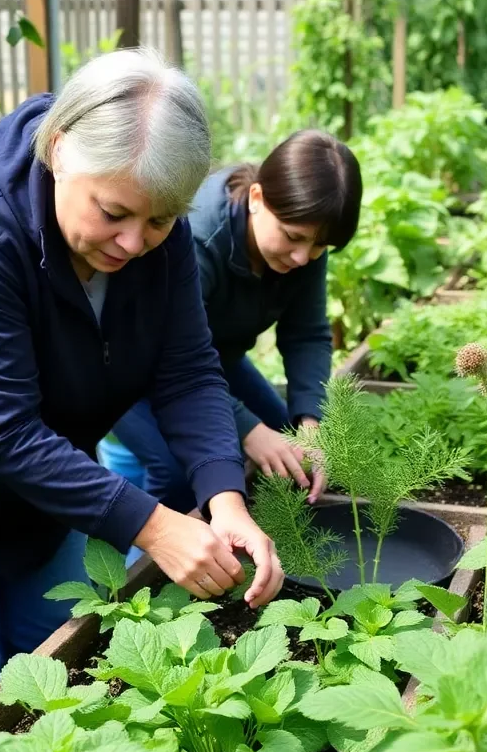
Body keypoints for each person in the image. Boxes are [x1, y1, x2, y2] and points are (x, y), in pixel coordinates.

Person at [0, 48, 284, 705]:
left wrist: (225, 499)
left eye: (158, 220)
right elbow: (3, 431)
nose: (133, 244)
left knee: (56, 642)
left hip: (44, 474)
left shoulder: (162, 235)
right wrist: (155, 527)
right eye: (113, 214)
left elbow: (186, 372)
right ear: (60, 150)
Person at [109, 130, 362, 512]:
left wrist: (311, 421)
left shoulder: (307, 235)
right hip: (133, 368)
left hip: (214, 361)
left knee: (290, 445)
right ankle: (146, 566)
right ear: (257, 198)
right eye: (293, 238)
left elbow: (306, 334)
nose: (301, 258)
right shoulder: (198, 240)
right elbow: (169, 359)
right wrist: (247, 432)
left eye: (318, 247)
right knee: (183, 469)